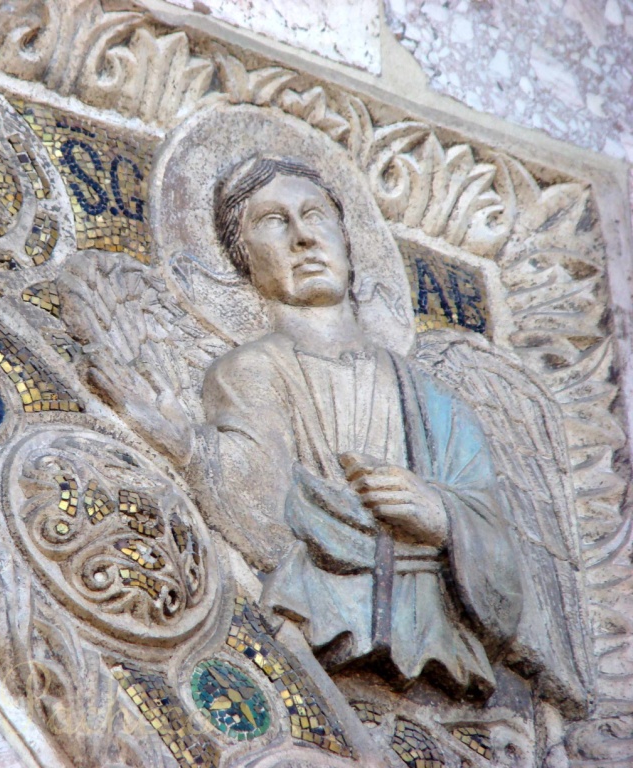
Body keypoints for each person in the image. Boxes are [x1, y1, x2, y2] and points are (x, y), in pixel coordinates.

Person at [195, 155, 523, 698]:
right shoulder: (249, 370)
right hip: (316, 623)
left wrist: (441, 516)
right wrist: (187, 447)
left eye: (315, 215)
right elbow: (258, 506)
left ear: (347, 240)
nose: (303, 238)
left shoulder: (434, 403)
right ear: (243, 257)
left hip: (440, 645)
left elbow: (507, 578)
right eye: (274, 222)